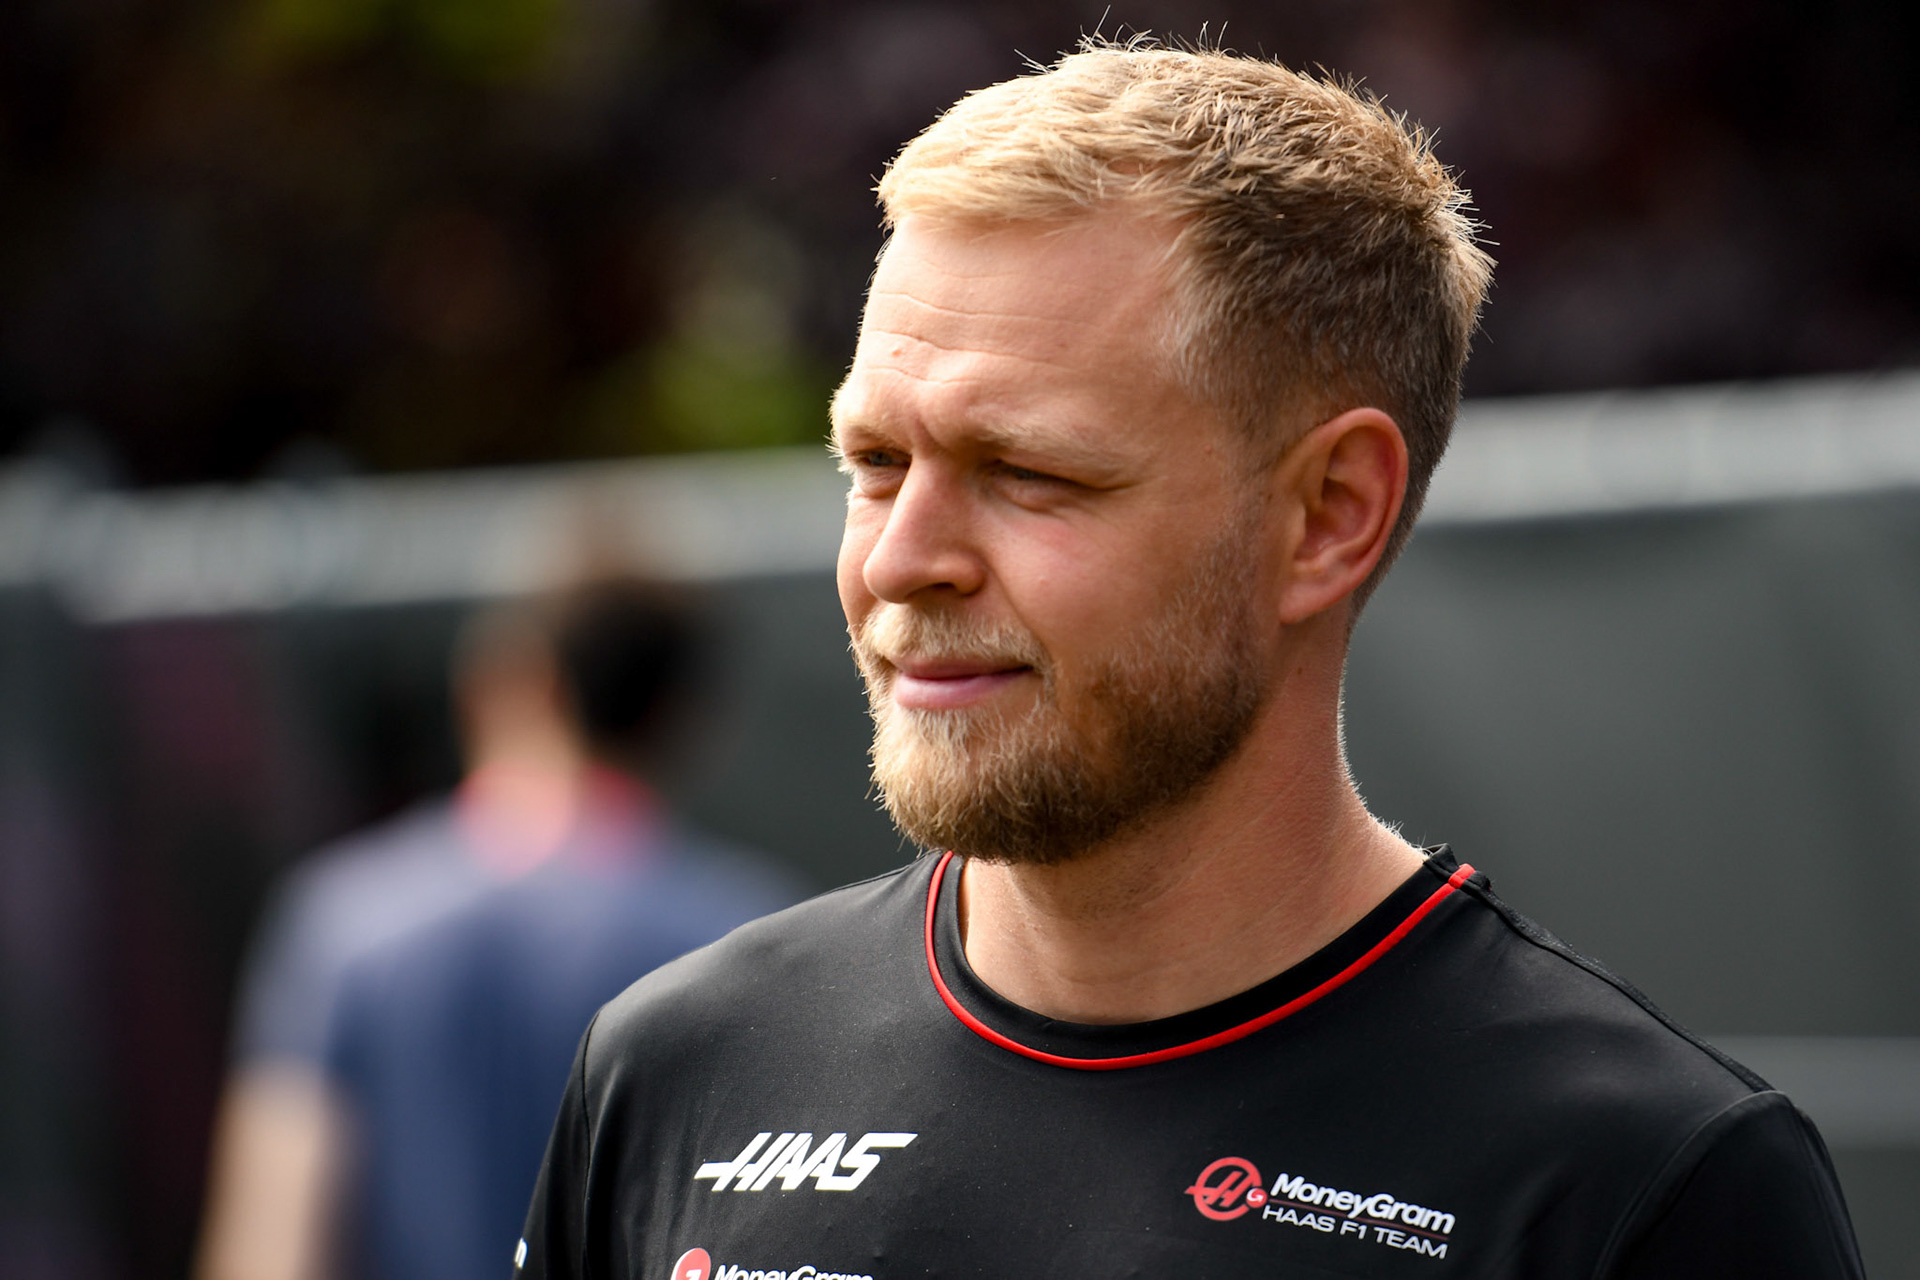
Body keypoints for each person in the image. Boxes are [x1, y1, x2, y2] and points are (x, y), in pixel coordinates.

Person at [517, 43, 1864, 1279]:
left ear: (1328, 515)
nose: (899, 560)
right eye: (875, 465)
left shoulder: (1640, 1188)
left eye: (1027, 472)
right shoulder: (673, 1071)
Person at [195, 577, 800, 1280]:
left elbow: (272, 1252)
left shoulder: (346, 922)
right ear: (680, 712)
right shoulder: (756, 937)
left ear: (518, 679)